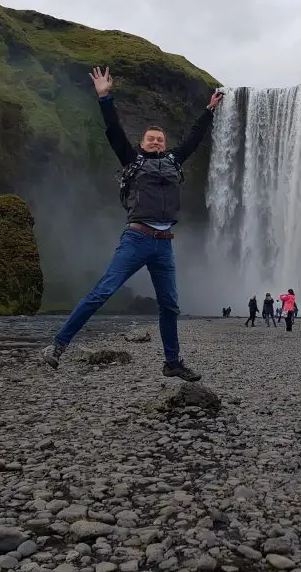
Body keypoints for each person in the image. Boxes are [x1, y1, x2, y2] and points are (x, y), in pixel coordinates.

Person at [41, 66, 223, 381]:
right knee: (103, 291)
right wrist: (104, 96)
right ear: (142, 143)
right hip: (137, 239)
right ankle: (58, 345)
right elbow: (113, 130)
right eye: (151, 139)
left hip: (164, 244)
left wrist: (209, 111)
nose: (155, 142)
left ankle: (172, 362)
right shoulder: (131, 160)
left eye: (160, 139)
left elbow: (194, 138)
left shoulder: (174, 162)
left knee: (170, 306)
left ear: (165, 145)